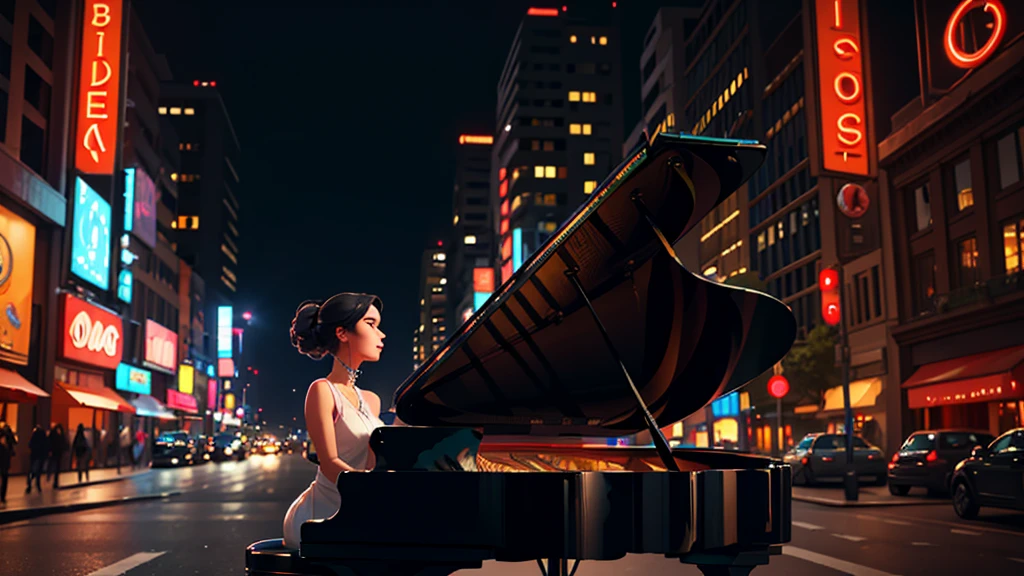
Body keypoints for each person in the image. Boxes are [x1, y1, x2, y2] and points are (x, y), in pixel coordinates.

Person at [282, 293, 386, 548]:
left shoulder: (372, 400)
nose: (381, 334)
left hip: (362, 508)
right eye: (371, 324)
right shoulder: (322, 390)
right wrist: (380, 495)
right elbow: (329, 463)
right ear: (342, 333)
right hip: (322, 515)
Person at [26, 425, 47, 493]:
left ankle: (29, 483)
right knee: (38, 472)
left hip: (34, 456)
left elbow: (30, 445)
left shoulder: (34, 436)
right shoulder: (43, 437)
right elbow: (46, 446)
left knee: (33, 470)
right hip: (40, 456)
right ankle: (37, 485)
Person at [49, 424, 67, 488]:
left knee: (52, 465)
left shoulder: (53, 435)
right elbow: (64, 443)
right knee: (56, 467)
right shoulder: (61, 436)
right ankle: (55, 481)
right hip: (58, 453)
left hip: (55, 452)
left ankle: (51, 477)